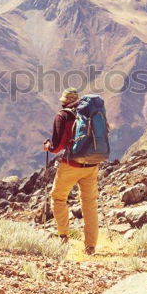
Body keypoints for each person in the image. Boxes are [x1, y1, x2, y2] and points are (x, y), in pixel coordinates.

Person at [43, 88, 99, 255]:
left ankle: (64, 238)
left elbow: (57, 146)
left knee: (58, 197)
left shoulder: (63, 116)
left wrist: (48, 146)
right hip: (91, 165)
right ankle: (90, 246)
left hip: (71, 165)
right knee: (89, 204)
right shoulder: (91, 113)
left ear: (63, 101)